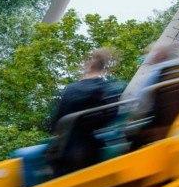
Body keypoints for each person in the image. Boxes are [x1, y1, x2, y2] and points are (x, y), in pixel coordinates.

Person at [46, 48, 122, 176]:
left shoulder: (71, 90)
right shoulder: (109, 89)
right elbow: (114, 116)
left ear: (89, 65)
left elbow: (54, 123)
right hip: (97, 148)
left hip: (69, 153)